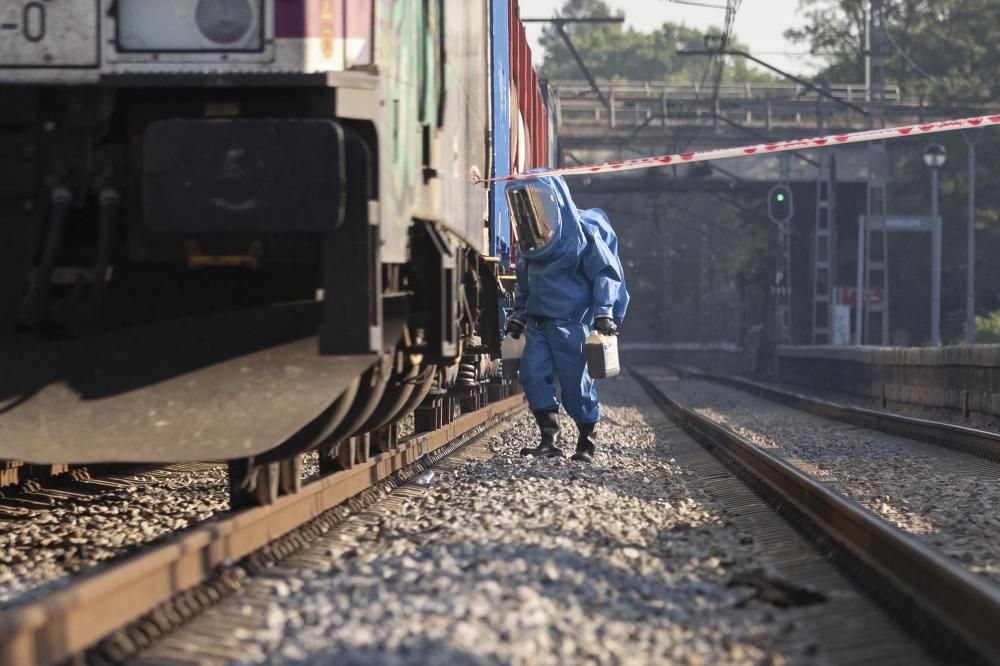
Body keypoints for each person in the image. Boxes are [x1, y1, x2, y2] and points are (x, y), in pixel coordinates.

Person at [504, 173, 629, 463]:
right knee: (533, 376)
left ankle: (587, 440)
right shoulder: (530, 249)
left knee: (577, 383)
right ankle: (549, 439)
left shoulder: (582, 237)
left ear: (555, 203)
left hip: (572, 323)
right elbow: (525, 287)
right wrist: (519, 316)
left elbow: (605, 273)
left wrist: (603, 312)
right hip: (538, 323)